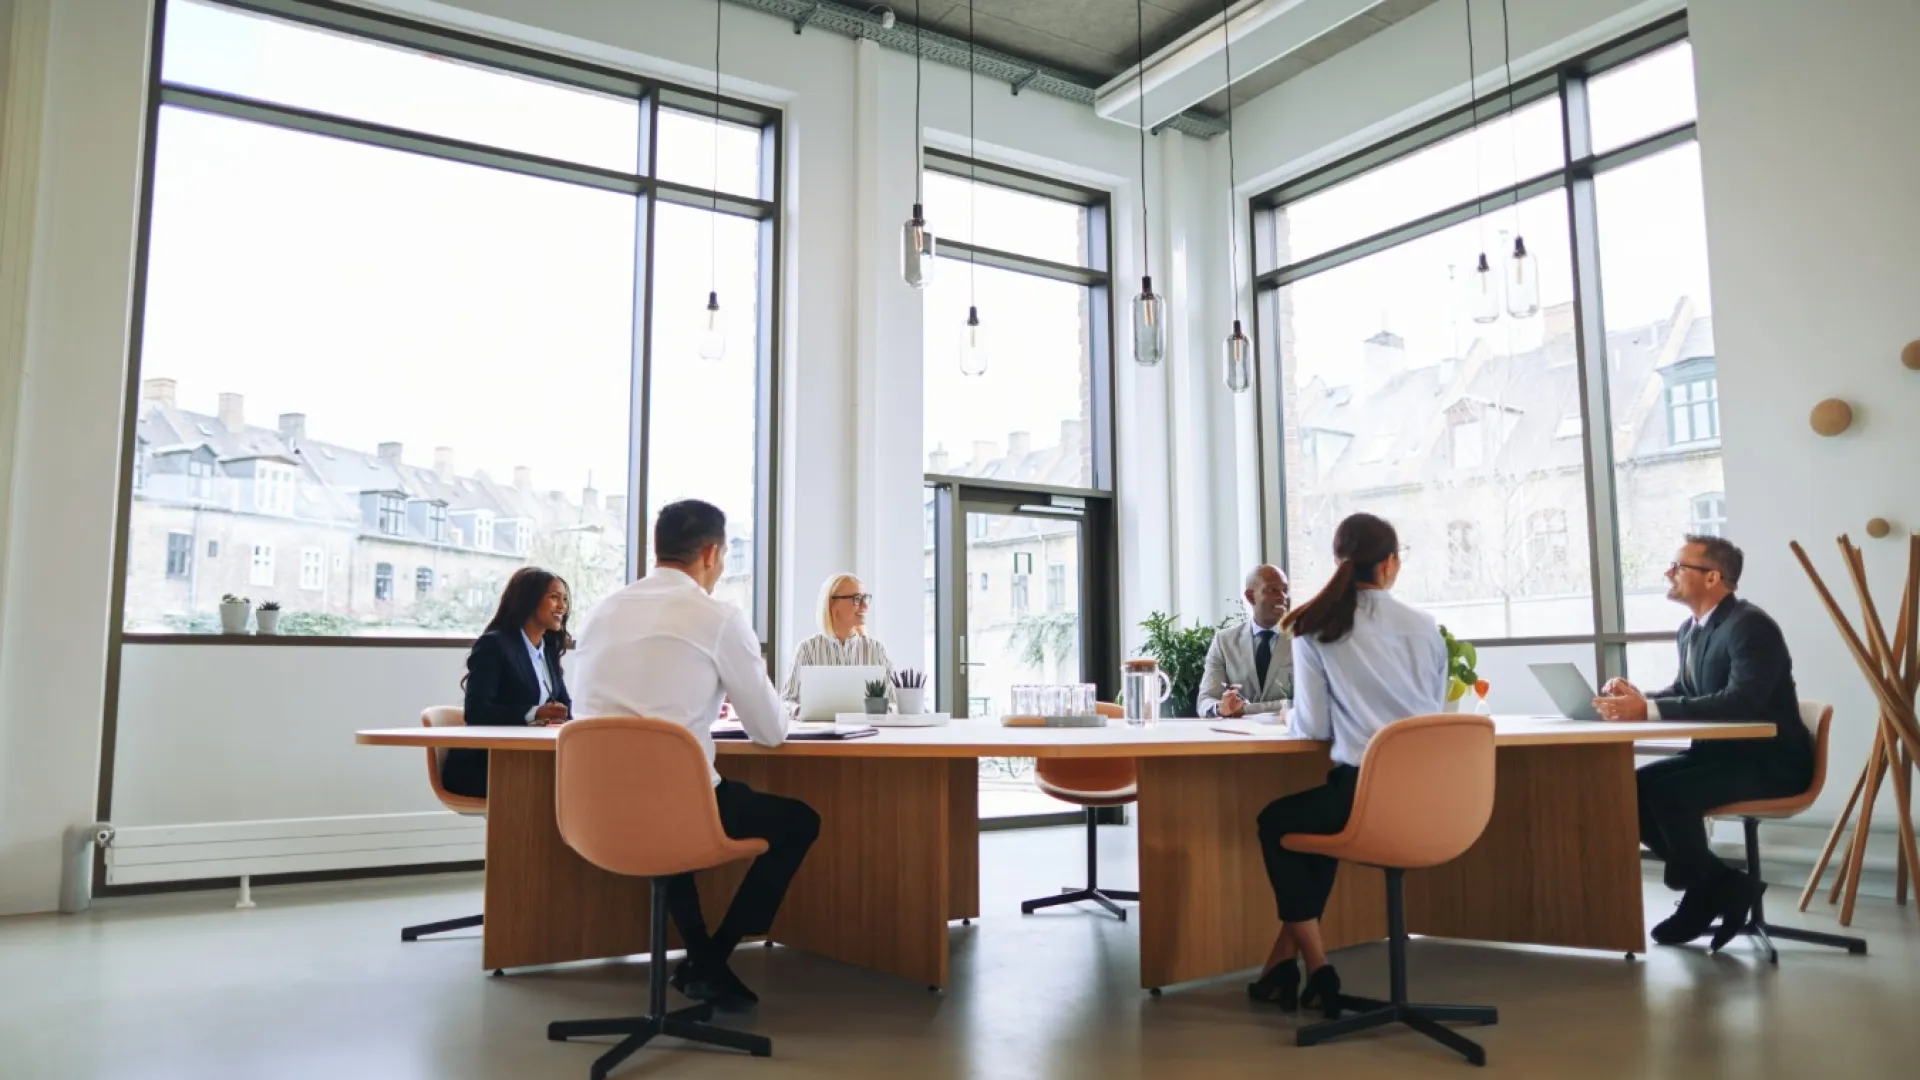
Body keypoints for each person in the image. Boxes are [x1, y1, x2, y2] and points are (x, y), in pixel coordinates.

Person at [569, 499, 818, 1010]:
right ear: (710, 553)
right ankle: (710, 960)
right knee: (797, 822)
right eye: (723, 558)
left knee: (668, 811)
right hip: (675, 808)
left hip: (593, 809)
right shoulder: (717, 617)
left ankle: (704, 957)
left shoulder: (601, 612)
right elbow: (770, 732)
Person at [1246, 513, 1445, 1015]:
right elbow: (1433, 716)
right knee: (1314, 830)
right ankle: (1278, 970)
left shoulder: (1315, 627)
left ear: (1338, 562)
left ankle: (1319, 970)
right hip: (1432, 800)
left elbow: (1312, 728)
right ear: (1391, 562)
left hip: (1363, 797)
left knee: (1280, 823)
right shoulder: (1427, 626)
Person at [1593, 535, 1814, 950]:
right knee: (1633, 789)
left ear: (1714, 577)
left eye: (1679, 566)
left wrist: (1650, 712)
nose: (1668, 573)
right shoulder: (1691, 629)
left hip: (1770, 764)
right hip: (1721, 757)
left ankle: (1704, 890)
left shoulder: (1750, 625)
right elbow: (1686, 688)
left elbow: (1742, 700)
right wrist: (1639, 701)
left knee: (1672, 795)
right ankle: (1720, 884)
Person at [442, 568, 572, 799]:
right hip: (486, 765)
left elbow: (565, 707)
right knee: (564, 788)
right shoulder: (494, 645)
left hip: (530, 759)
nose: (562, 607)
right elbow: (477, 713)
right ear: (529, 600)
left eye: (564, 599)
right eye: (553, 597)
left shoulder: (548, 651)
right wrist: (534, 713)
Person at [780, 573, 898, 711]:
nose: (865, 607)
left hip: (869, 732)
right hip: (821, 732)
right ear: (832, 603)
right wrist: (800, 711)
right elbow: (787, 701)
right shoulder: (807, 649)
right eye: (857, 599)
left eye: (865, 598)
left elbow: (895, 702)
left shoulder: (876, 650)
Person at [1198, 564, 1294, 719]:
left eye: (1285, 590)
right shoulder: (1224, 641)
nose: (1282, 597)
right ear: (1250, 596)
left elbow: (1307, 703)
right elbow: (1205, 700)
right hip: (1238, 740)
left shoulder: (1304, 641)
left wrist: (1245, 709)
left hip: (1288, 738)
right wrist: (1220, 707)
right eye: (1273, 590)